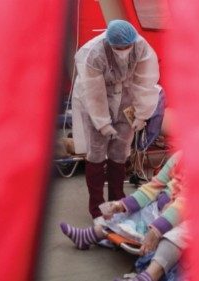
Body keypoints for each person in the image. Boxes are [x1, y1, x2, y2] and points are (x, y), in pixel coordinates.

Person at [71, 19, 160, 218]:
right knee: (96, 152)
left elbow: (145, 82)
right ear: (110, 44)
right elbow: (94, 92)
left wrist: (142, 114)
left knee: (120, 151)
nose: (124, 50)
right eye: (119, 48)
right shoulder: (95, 53)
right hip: (94, 97)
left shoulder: (141, 47)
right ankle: (96, 208)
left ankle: (117, 202)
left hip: (126, 95)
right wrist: (102, 123)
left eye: (127, 46)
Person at [60, 151, 188, 281]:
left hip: (186, 218)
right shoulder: (180, 156)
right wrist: (121, 205)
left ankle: (148, 276)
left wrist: (157, 229)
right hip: (159, 210)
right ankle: (89, 235)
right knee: (128, 210)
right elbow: (153, 187)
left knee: (177, 235)